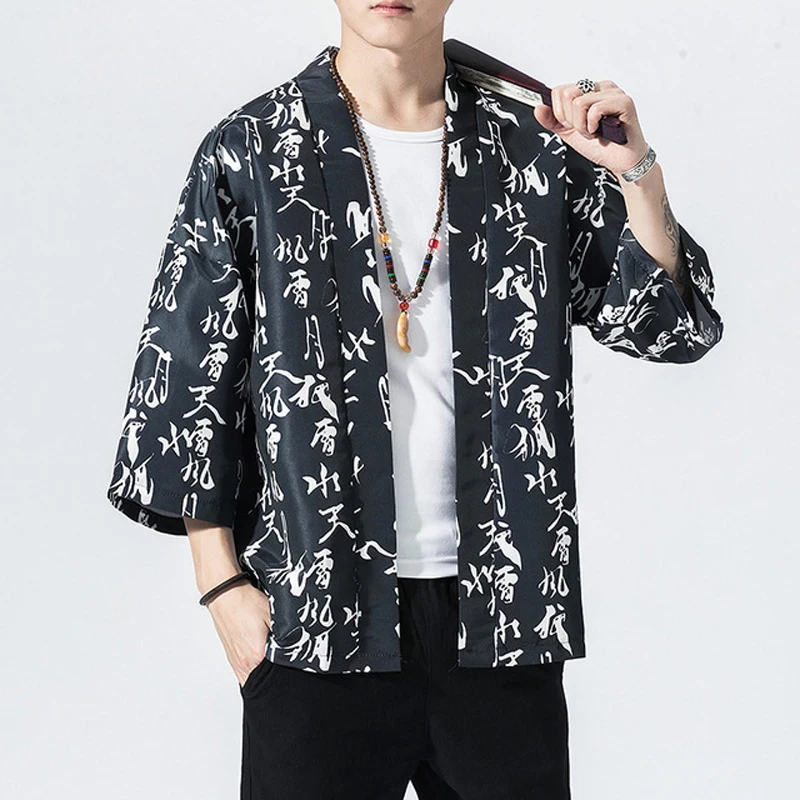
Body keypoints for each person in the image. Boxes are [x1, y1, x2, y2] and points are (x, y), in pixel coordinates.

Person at [106, 1, 724, 797]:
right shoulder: (252, 150)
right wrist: (225, 593)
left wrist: (637, 173)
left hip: (501, 622)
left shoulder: (533, 146)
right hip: (317, 625)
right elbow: (184, 385)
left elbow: (672, 327)